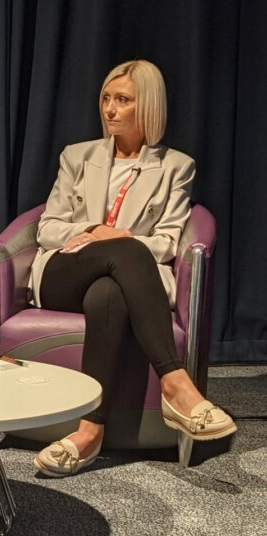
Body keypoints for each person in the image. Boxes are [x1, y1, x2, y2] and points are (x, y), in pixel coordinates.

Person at [29, 59, 236, 477]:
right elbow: (47, 228)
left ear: (148, 108)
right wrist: (96, 229)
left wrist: (118, 240)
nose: (109, 109)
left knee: (109, 290)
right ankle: (175, 384)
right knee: (122, 252)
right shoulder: (77, 156)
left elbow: (165, 242)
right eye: (106, 98)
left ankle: (89, 432)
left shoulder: (176, 166)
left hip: (125, 280)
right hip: (64, 271)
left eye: (123, 100)